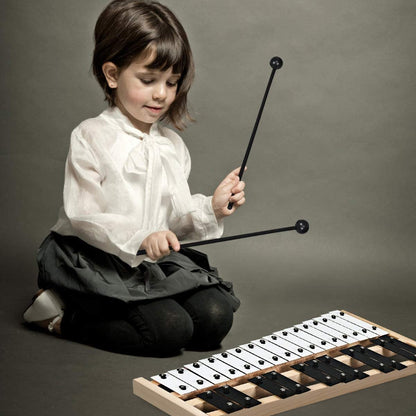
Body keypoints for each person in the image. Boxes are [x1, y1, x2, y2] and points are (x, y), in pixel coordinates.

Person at [23, 0, 246, 357]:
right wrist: (143, 236)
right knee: (167, 332)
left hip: (147, 260)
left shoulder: (171, 144)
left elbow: (171, 223)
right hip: (95, 256)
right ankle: (58, 314)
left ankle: (152, 308)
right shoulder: (91, 135)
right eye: (148, 80)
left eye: (172, 82)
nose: (162, 94)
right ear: (112, 74)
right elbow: (84, 217)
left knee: (215, 319)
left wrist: (211, 209)